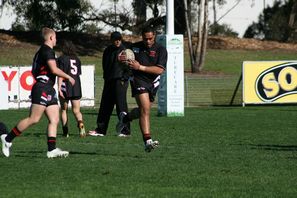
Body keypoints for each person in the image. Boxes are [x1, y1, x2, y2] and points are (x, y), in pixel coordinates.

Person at [1, 27, 75, 158]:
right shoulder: (47, 51)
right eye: (55, 37)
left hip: (48, 88)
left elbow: (36, 70)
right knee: (34, 119)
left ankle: (51, 150)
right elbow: (53, 69)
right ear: (51, 37)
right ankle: (7, 139)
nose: (56, 39)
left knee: (54, 119)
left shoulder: (43, 51)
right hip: (42, 87)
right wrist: (68, 77)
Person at [119, 26, 167, 152]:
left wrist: (140, 67)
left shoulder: (161, 50)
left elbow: (160, 70)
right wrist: (121, 58)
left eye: (150, 38)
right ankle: (147, 141)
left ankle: (125, 118)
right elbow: (124, 56)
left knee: (143, 110)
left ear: (154, 36)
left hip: (153, 82)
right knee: (145, 109)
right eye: (145, 39)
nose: (148, 41)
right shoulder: (135, 47)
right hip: (137, 80)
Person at [88, 31, 131, 137]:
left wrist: (124, 78)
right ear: (111, 40)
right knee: (105, 106)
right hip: (109, 80)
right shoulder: (107, 50)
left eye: (119, 39)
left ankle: (125, 131)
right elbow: (105, 65)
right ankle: (100, 130)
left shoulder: (126, 51)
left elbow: (130, 67)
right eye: (115, 39)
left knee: (121, 106)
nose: (117, 41)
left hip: (120, 80)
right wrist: (106, 77)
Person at [57, 40, 86, 138]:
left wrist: (59, 88)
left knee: (64, 110)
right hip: (76, 86)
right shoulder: (77, 59)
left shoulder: (61, 59)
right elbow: (78, 74)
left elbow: (60, 75)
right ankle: (81, 124)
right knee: (77, 111)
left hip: (66, 86)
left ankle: (66, 132)